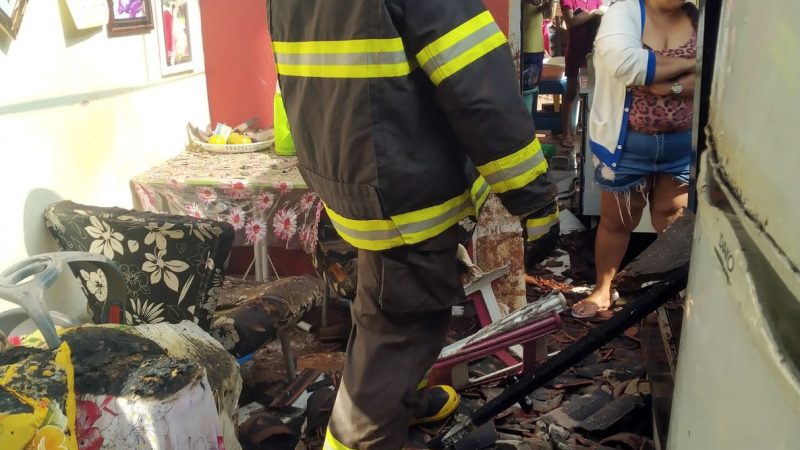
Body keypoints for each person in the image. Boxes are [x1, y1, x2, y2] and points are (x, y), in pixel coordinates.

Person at [268, 1, 559, 448]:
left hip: (356, 181)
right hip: (406, 192)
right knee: (399, 332)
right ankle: (365, 430)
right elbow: (479, 91)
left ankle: (408, 401)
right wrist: (533, 198)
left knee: (385, 308)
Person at [572, 0, 697, 318]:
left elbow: (712, 72)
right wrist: (690, 64)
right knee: (617, 222)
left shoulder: (699, 18)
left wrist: (670, 86)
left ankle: (671, 292)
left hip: (680, 146)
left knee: (672, 219)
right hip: (625, 146)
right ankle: (603, 289)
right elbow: (628, 66)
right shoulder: (623, 13)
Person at [558, 0, 604, 148]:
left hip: (594, 51)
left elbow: (603, 16)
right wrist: (592, 14)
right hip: (576, 51)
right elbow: (571, 22)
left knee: (592, 93)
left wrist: (594, 15)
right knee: (571, 91)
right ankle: (566, 133)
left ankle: (589, 131)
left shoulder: (596, 1)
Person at [522, 0, 553, 94]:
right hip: (524, 48)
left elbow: (548, 16)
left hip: (537, 49)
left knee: (533, 88)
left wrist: (547, 6)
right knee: (523, 88)